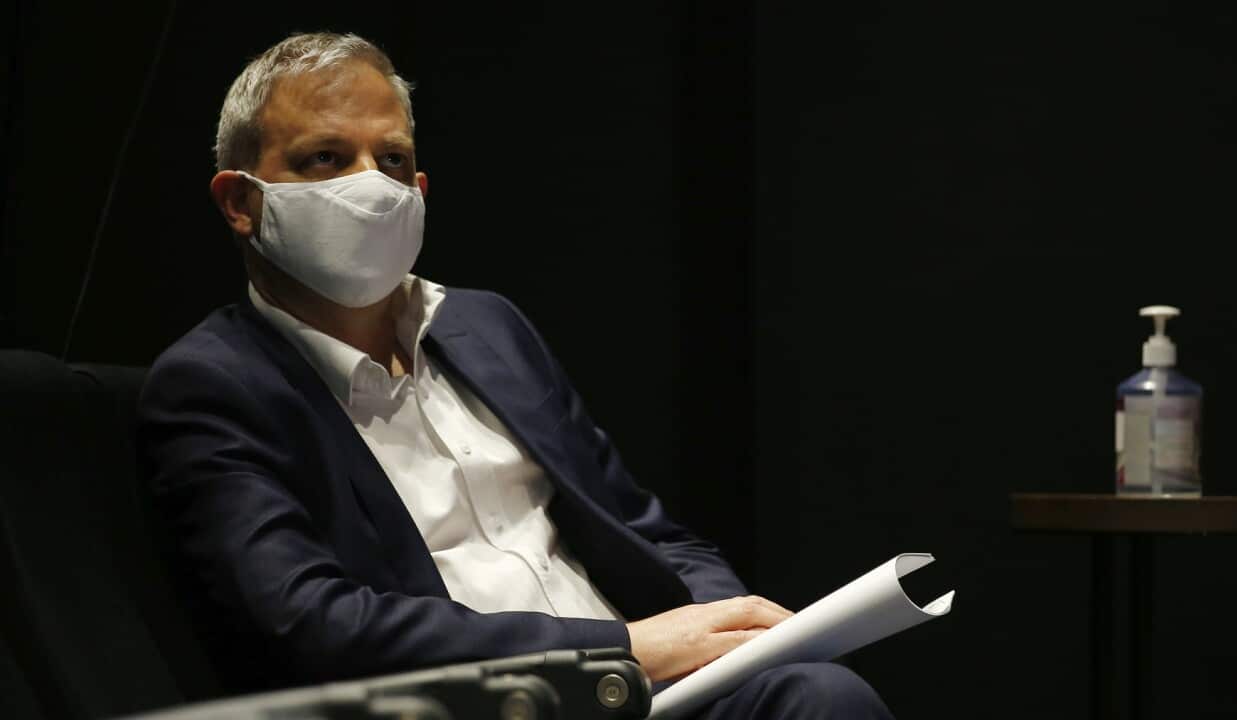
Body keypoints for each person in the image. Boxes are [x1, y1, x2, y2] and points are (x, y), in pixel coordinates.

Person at [138, 31, 892, 719]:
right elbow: (311, 622)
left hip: (652, 695)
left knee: (819, 695)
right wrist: (622, 649)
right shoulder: (213, 386)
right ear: (241, 201)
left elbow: (642, 530)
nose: (373, 186)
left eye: (393, 159)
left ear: (419, 191)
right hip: (494, 704)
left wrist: (735, 628)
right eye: (326, 159)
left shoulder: (487, 326)